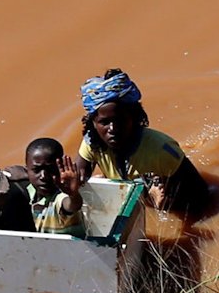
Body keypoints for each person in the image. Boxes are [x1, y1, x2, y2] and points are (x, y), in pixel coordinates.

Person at [76, 69, 208, 216]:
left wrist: (166, 205)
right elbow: (76, 183)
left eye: (120, 120)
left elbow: (201, 194)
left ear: (134, 118)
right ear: (93, 124)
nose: (113, 129)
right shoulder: (92, 143)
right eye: (104, 122)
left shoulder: (161, 149)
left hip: (166, 196)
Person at [23, 138, 86, 237]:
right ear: (27, 171)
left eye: (50, 169)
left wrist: (73, 194)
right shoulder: (26, 193)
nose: (43, 176)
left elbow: (72, 205)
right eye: (36, 170)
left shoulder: (60, 197)